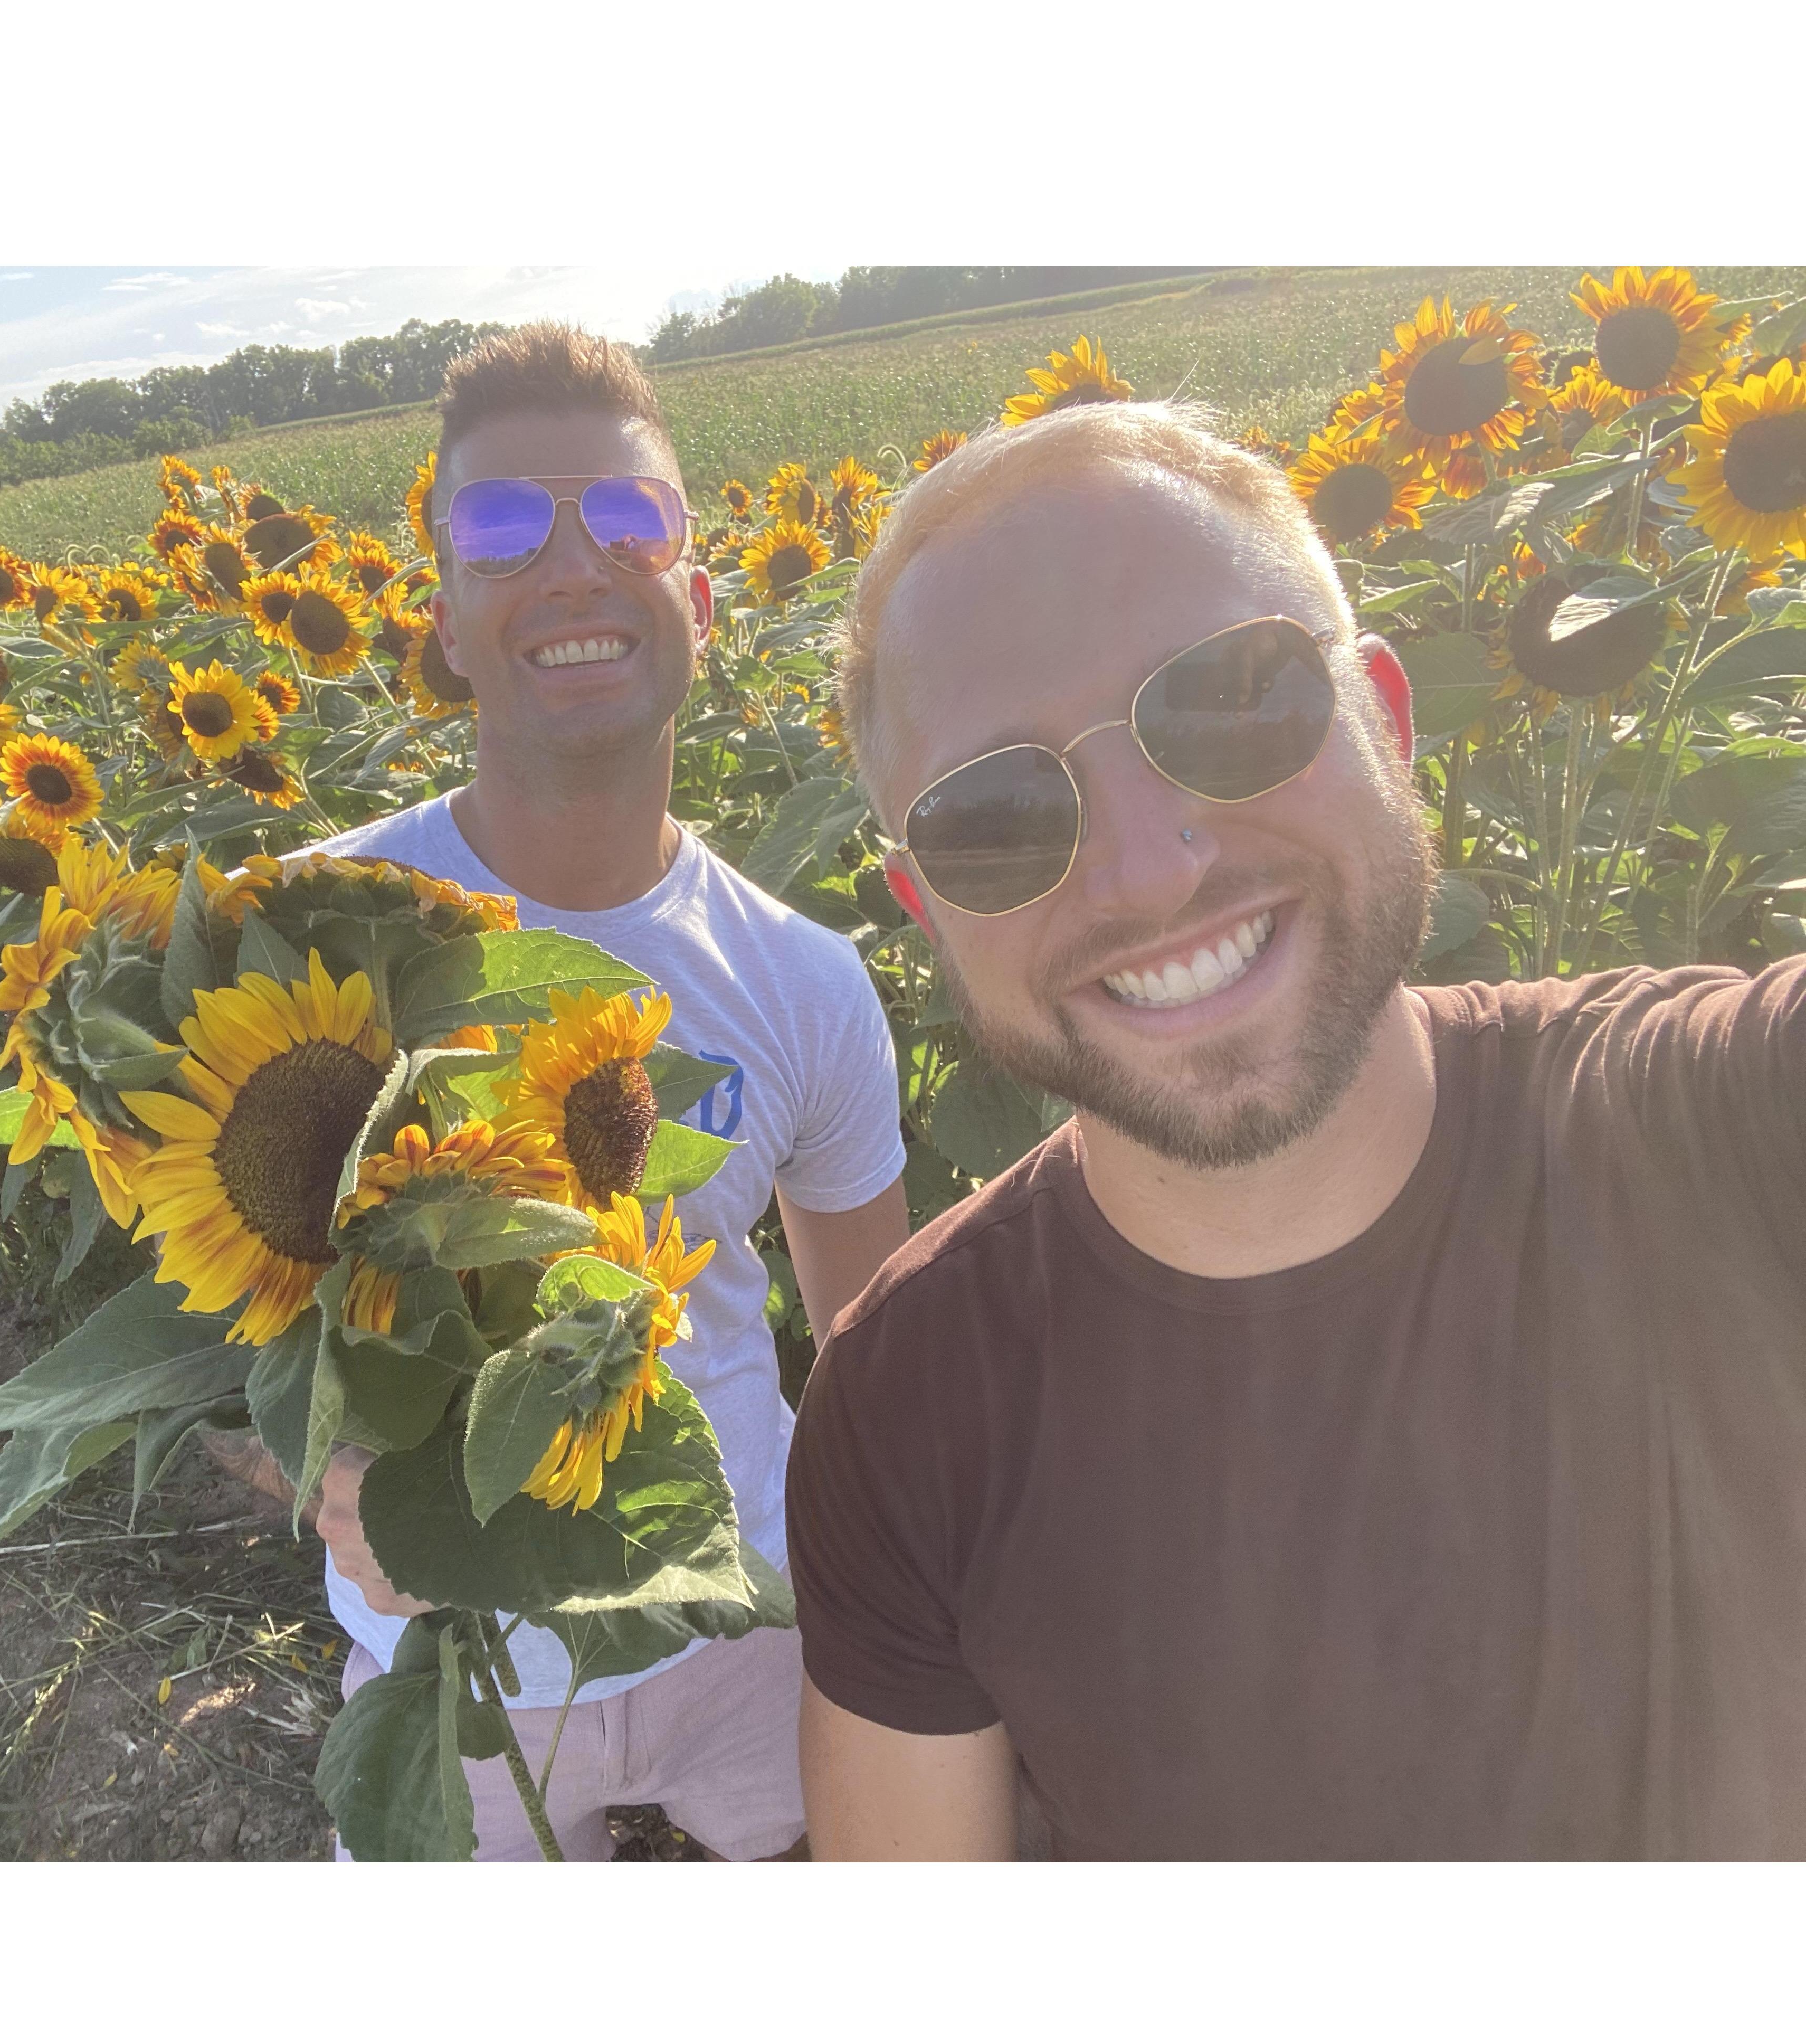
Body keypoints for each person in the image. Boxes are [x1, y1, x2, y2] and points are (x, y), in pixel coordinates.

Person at [786, 399, 1806, 1861]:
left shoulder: (1724, 1130)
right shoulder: (911, 1410)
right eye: (995, 818)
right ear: (926, 911)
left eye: (1230, 703)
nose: (1149, 871)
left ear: (1388, 719)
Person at [307, 324, 911, 1861]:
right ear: (445, 622)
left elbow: (874, 1352)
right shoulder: (322, 933)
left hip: (741, 1617)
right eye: (504, 529)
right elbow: (214, 1334)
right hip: (455, 1664)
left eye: (631, 520)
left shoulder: (802, 982)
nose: (575, 567)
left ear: (697, 602)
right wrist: (329, 1477)